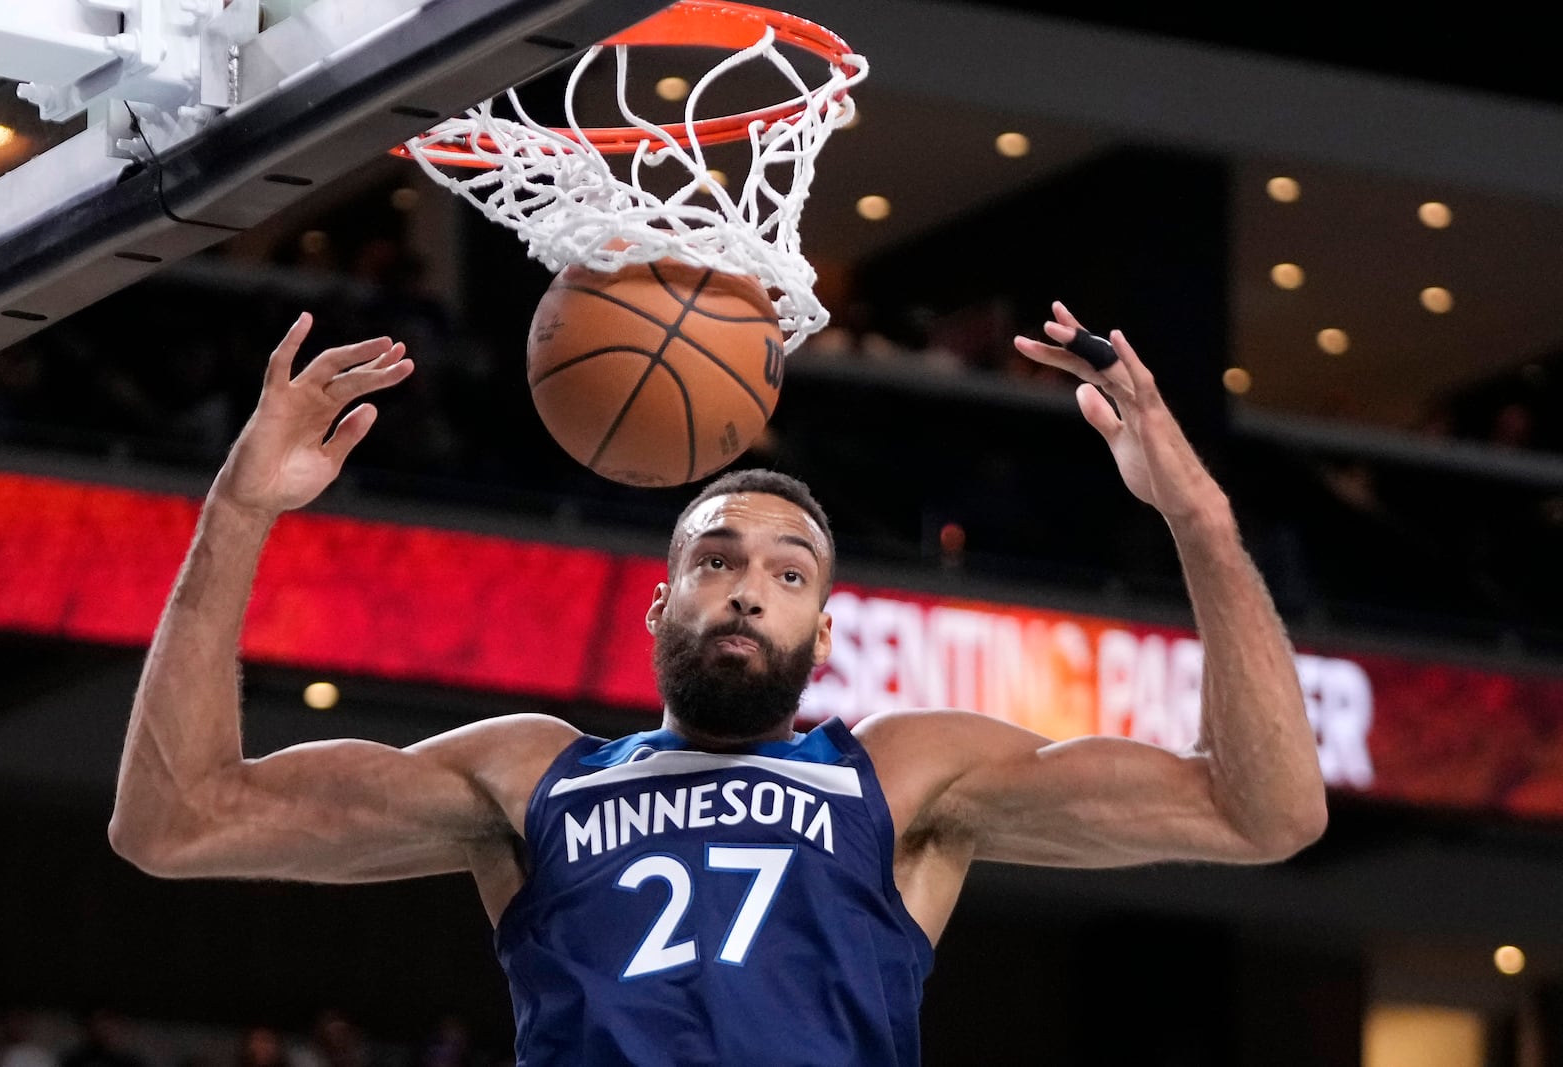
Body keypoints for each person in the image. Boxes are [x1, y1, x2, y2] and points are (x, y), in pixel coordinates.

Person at [109, 302, 1328, 1066]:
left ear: (823, 627)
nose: (748, 587)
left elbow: (1262, 810)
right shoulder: (531, 773)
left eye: (787, 571)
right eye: (717, 559)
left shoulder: (899, 776)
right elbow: (177, 821)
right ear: (660, 605)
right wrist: (238, 511)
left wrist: (1200, 517)